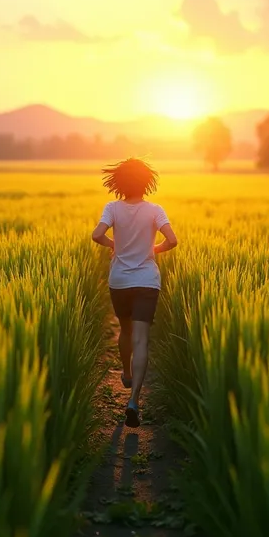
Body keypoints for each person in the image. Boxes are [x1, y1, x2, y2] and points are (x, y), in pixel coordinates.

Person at [91, 158, 178, 428]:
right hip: (147, 282)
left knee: (125, 331)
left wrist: (113, 243)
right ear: (146, 182)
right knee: (141, 340)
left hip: (120, 281)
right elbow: (172, 240)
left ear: (119, 183)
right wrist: (153, 251)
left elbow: (96, 235)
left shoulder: (112, 208)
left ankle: (126, 372)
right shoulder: (155, 210)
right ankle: (134, 400)